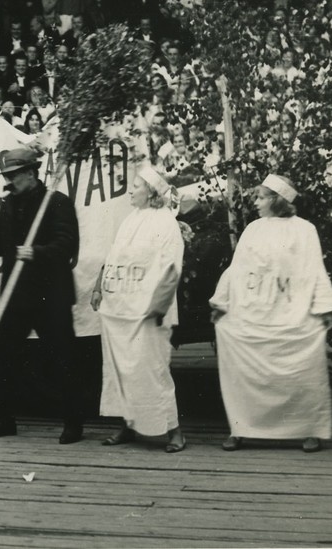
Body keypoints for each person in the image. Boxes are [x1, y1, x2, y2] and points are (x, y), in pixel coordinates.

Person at [210, 174, 332, 453]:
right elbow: (237, 269)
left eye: (261, 197)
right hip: (254, 309)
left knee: (303, 365)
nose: (255, 202)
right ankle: (241, 427)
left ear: (277, 200)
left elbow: (315, 269)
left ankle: (308, 429)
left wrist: (325, 307)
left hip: (290, 309)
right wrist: (222, 302)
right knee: (242, 364)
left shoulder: (304, 230)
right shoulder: (253, 229)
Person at [0, 147, 85, 445]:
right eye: (6, 176)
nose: (9, 181)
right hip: (15, 298)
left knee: (63, 360)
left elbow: (67, 245)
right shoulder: (9, 205)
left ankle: (73, 423)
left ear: (31, 173)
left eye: (13, 175)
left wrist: (36, 252)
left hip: (51, 298)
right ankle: (3, 420)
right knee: (3, 360)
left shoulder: (57, 203)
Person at [91, 163, 187, 452]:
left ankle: (174, 432)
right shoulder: (130, 219)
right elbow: (112, 257)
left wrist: (157, 306)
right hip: (119, 308)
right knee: (122, 370)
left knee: (153, 370)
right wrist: (98, 287)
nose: (131, 190)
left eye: (136, 185)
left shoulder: (165, 222)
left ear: (152, 192)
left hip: (148, 312)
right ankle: (128, 425)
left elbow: (171, 267)